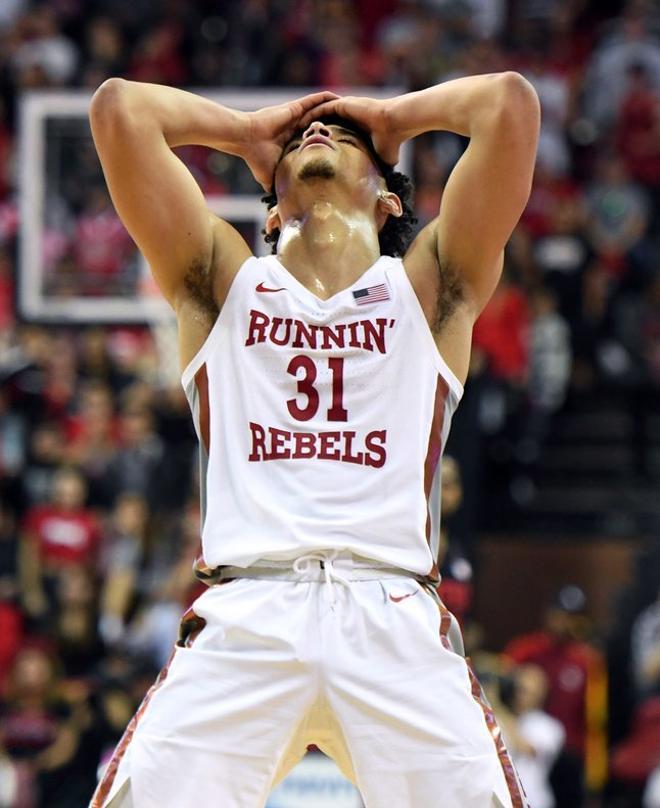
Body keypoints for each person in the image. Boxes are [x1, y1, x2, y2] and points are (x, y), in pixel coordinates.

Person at [87, 72, 539, 807]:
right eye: (298, 140)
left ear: (390, 198)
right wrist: (244, 132)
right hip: (247, 612)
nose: (319, 133)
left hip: (390, 611)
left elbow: (509, 105)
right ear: (268, 214)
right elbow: (119, 110)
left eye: (345, 139)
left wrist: (390, 115)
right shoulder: (221, 280)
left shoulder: (427, 290)